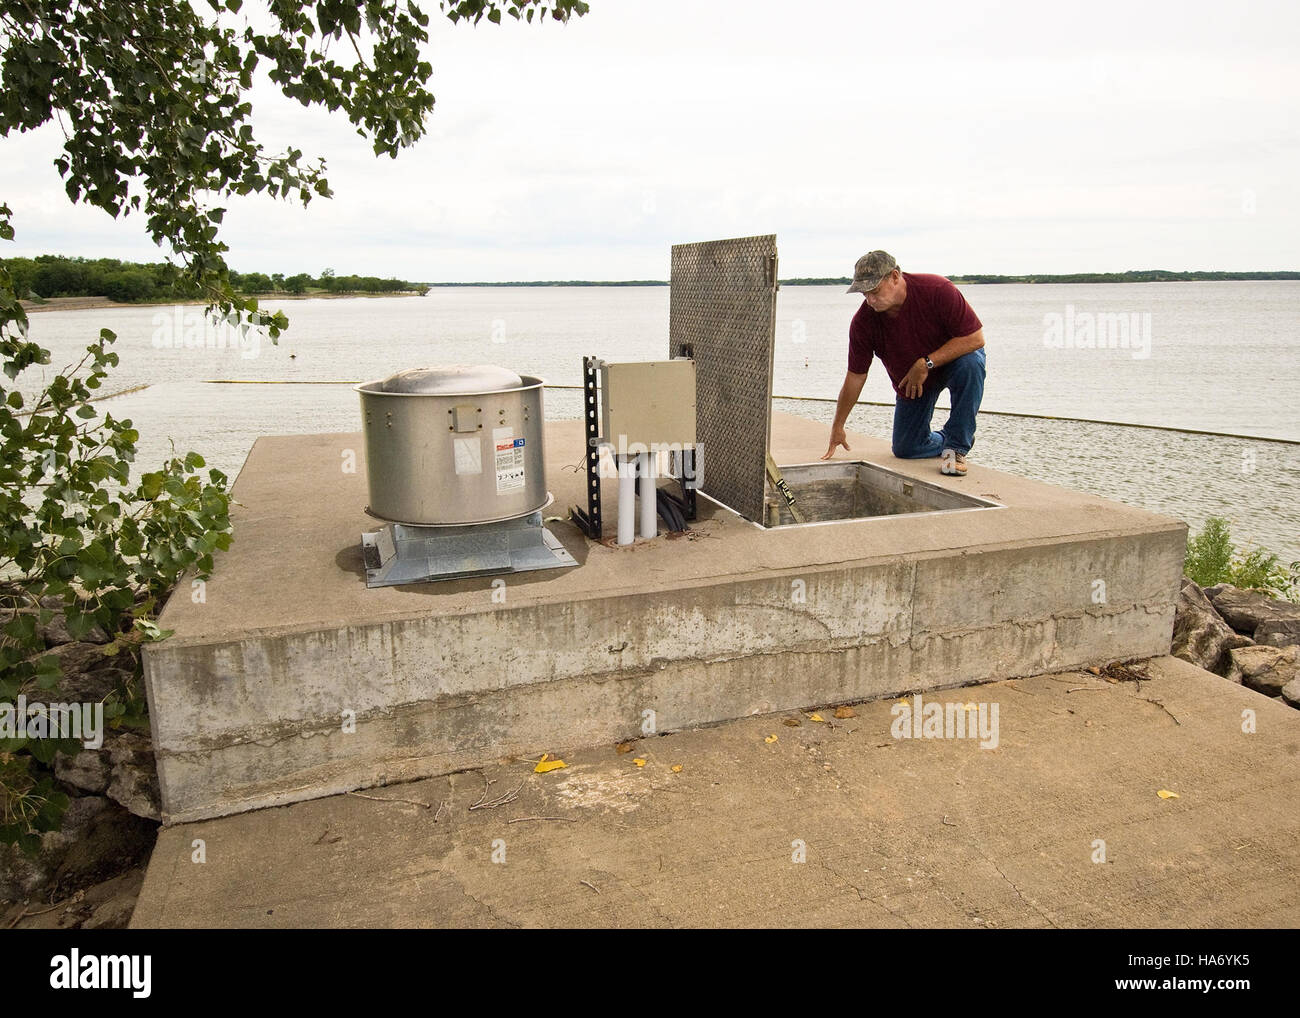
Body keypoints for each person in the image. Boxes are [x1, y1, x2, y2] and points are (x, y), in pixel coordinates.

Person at [822, 250, 986, 477]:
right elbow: (855, 376)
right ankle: (950, 436)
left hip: (951, 363)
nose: (870, 300)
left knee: (972, 363)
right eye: (864, 294)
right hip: (912, 381)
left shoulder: (937, 290)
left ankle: (956, 447)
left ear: (895, 276)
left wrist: (926, 363)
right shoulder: (863, 323)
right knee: (906, 448)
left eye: (875, 291)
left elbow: (975, 338)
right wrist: (838, 426)